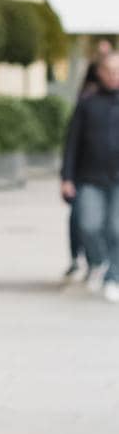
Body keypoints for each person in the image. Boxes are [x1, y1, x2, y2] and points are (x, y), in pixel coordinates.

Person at [61, 48, 119, 303]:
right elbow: (72, 142)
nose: (114, 76)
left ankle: (113, 277)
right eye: (109, 70)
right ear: (100, 73)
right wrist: (67, 177)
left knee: (116, 229)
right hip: (90, 177)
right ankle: (98, 262)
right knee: (89, 225)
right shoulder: (88, 103)